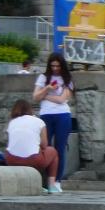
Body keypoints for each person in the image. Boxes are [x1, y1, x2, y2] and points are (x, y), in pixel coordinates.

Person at [33, 52, 73, 189]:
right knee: (45, 148)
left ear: (62, 65)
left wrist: (45, 96)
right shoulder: (43, 77)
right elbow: (35, 97)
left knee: (60, 148)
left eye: (58, 66)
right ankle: (45, 182)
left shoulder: (67, 78)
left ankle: (57, 181)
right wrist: (47, 88)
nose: (55, 68)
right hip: (46, 115)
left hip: (63, 115)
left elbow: (62, 99)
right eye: (52, 66)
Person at [3, 98, 60, 192]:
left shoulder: (12, 122)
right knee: (53, 152)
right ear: (30, 109)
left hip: (11, 159)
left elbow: (11, 143)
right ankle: (51, 186)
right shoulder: (39, 121)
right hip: (32, 160)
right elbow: (44, 145)